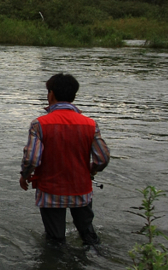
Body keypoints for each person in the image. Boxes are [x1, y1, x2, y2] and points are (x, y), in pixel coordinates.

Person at [19, 73, 110, 246]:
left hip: (50, 191)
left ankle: (56, 269)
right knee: (89, 237)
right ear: (74, 95)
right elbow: (103, 158)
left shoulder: (39, 124)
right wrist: (91, 170)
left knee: (55, 241)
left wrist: (24, 175)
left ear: (51, 94)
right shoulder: (90, 124)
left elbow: (32, 159)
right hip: (81, 189)